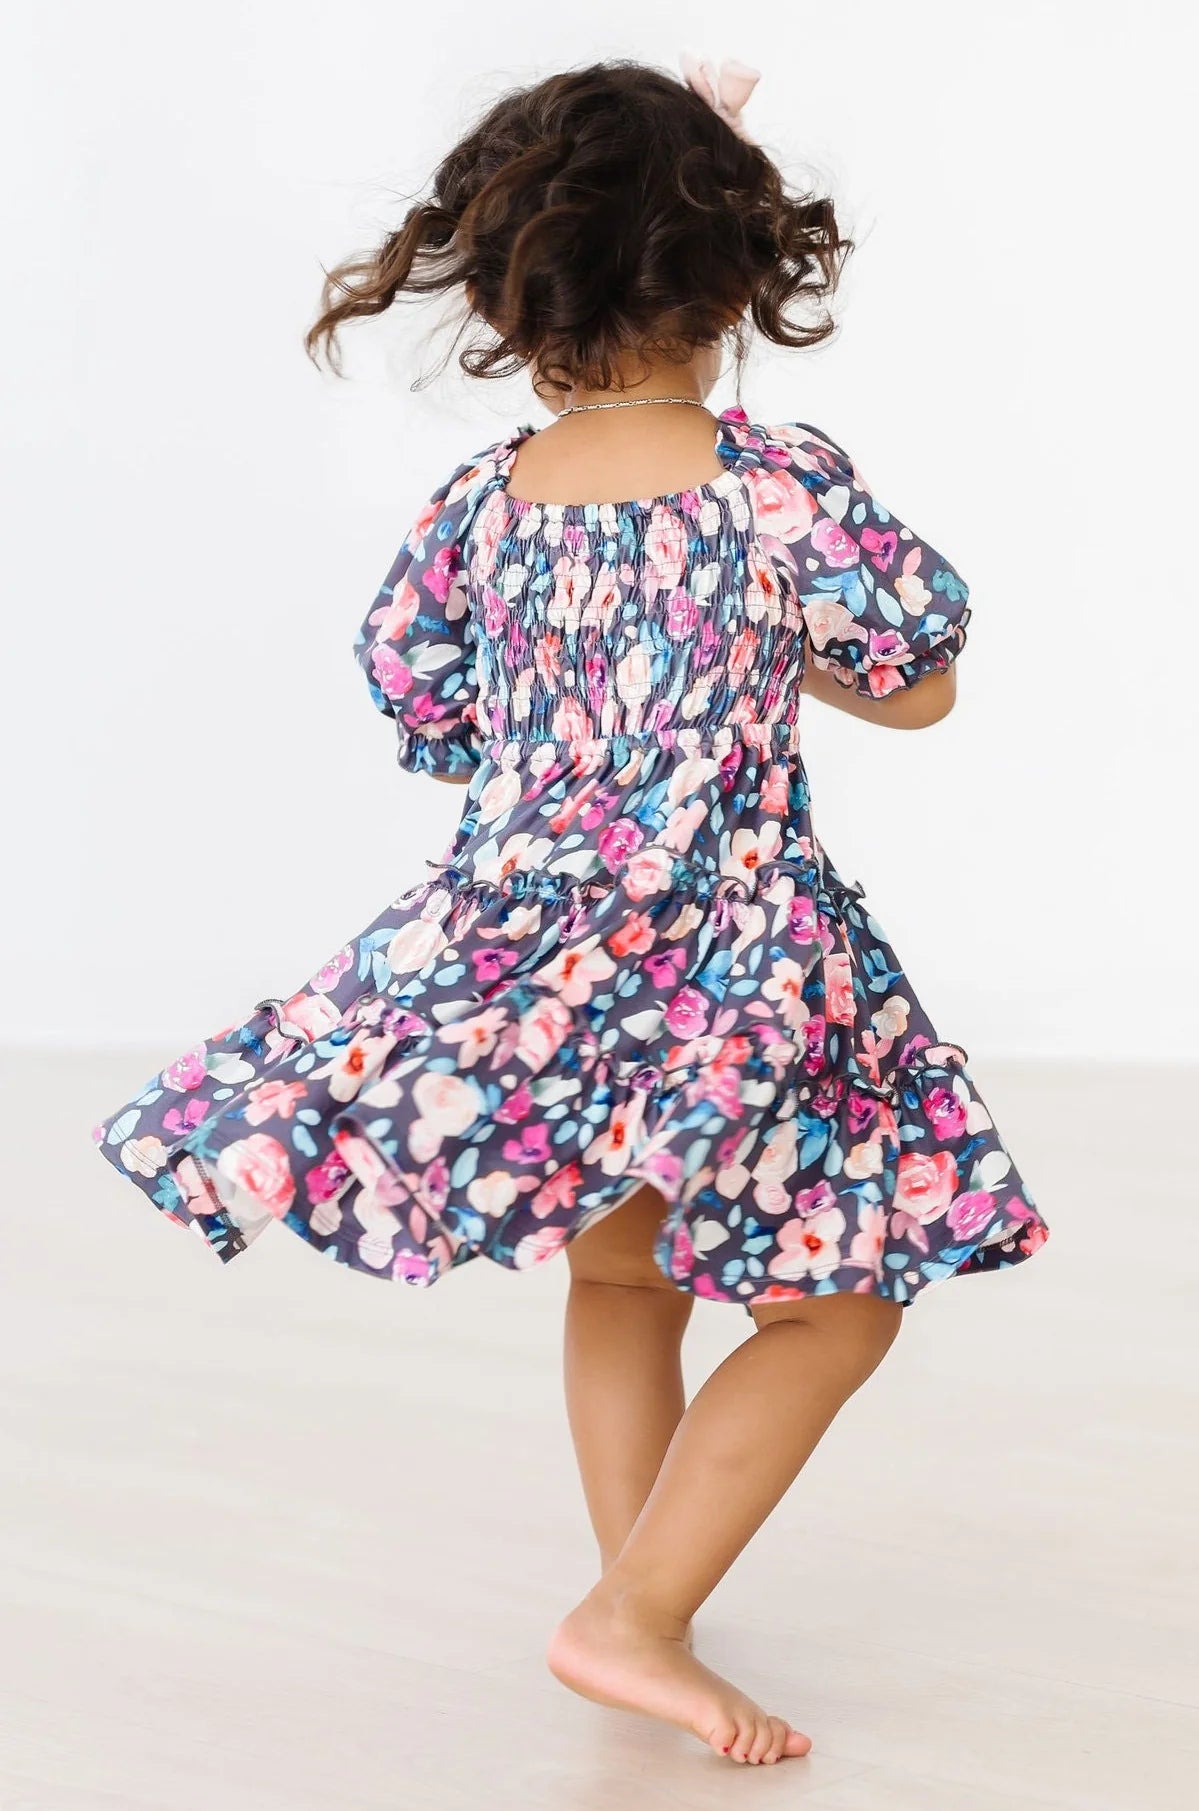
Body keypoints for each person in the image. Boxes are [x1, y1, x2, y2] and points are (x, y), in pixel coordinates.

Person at [93, 56, 1049, 1767]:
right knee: (839, 1301)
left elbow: (434, 710)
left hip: (531, 952)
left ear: (509, 298)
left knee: (621, 1277)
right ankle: (634, 1614)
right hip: (727, 954)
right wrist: (772, 655)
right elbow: (919, 685)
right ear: (739, 279)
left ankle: (639, 1596)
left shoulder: (488, 501)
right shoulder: (771, 482)